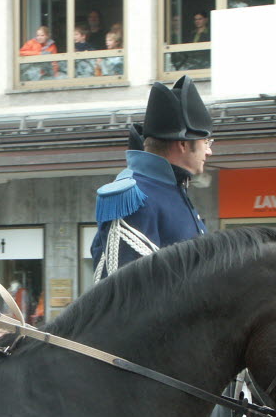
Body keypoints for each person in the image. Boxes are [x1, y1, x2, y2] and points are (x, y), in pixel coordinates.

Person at [90, 75, 213, 280]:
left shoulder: (171, 189)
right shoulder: (134, 197)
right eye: (206, 143)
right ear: (183, 144)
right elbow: (129, 290)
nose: (209, 152)